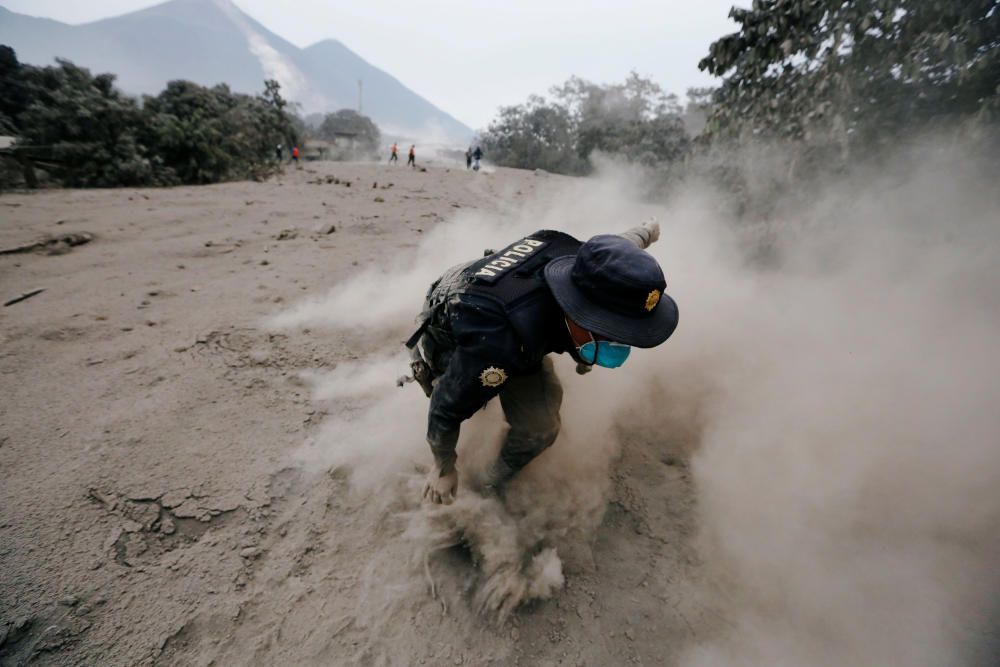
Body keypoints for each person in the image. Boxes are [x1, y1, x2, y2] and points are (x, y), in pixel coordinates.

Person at [404, 220, 677, 504]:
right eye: (614, 331)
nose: (622, 340)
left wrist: (646, 232)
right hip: (455, 322)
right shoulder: (501, 343)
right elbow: (445, 408)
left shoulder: (592, 266)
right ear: (580, 315)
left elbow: (621, 250)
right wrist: (443, 467)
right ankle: (477, 490)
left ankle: (489, 480)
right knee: (470, 393)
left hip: (504, 308)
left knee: (540, 428)